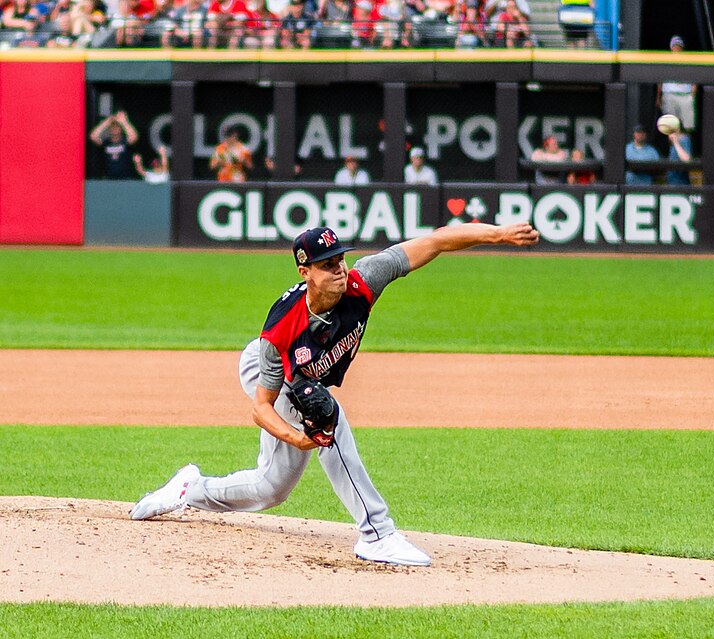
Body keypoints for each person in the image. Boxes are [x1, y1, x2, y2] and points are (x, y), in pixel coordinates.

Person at [130, 222, 541, 566]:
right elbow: (261, 407)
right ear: (305, 271)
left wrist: (498, 234)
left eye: (340, 259)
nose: (340, 270)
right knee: (329, 420)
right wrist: (298, 437)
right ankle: (377, 533)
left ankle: (189, 489)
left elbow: (435, 241)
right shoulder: (281, 329)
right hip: (271, 370)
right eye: (328, 265)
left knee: (271, 488)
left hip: (306, 380)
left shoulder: (365, 280)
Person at [657, 35, 697, 131]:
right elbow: (660, 81)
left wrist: (692, 95)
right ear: (671, 47)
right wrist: (658, 97)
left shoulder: (689, 61)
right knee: (670, 126)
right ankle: (674, 141)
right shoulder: (665, 62)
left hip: (685, 95)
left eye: (679, 46)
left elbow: (695, 80)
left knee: (688, 126)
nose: (677, 48)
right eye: (675, 46)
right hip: (669, 94)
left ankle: (684, 140)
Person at [89, 111, 139, 179]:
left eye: (117, 127)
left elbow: (134, 136)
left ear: (121, 129)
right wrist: (106, 122)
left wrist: (124, 122)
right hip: (109, 179)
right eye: (112, 127)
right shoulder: (106, 142)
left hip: (127, 179)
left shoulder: (125, 141)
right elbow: (93, 136)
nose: (114, 129)